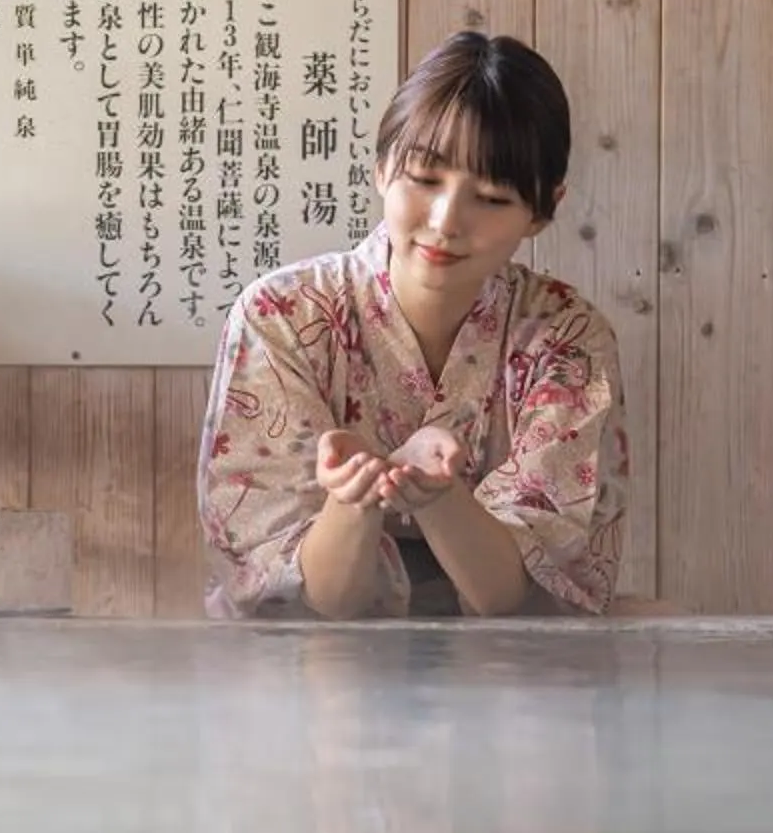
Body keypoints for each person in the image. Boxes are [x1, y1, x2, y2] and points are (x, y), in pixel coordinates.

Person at [197, 31, 629, 619]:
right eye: (425, 180)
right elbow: (316, 602)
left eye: (492, 198)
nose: (446, 221)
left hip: (505, 662)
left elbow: (508, 596)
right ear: (381, 168)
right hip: (308, 657)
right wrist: (353, 500)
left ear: (542, 210)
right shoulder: (282, 316)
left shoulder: (567, 337)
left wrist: (436, 494)